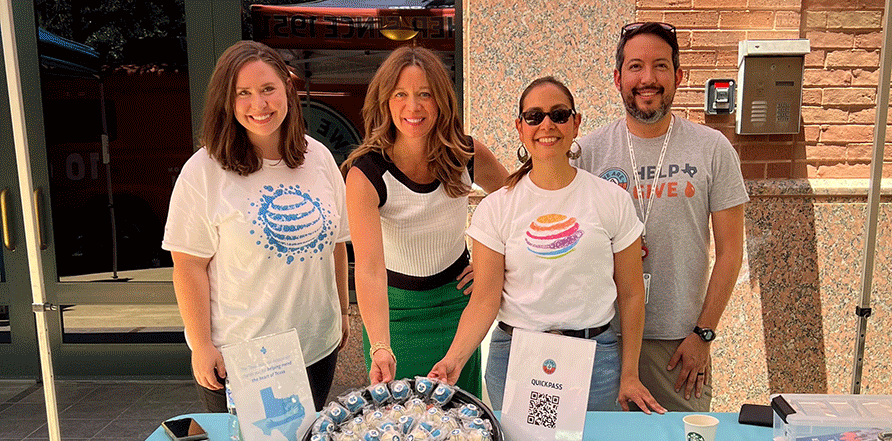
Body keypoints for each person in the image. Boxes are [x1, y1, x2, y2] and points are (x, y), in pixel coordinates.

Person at [429, 77, 663, 415]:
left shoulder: (611, 199)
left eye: (559, 114)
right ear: (520, 128)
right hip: (517, 359)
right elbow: (484, 300)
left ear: (576, 123)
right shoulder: (497, 207)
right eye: (534, 116)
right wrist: (454, 359)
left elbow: (630, 293)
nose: (547, 124)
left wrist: (630, 374)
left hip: (595, 361)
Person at [163, 41, 350, 412]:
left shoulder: (319, 157)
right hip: (243, 357)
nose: (259, 104)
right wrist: (201, 344)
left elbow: (337, 246)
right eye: (243, 93)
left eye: (268, 89)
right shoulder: (204, 171)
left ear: (288, 89)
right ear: (226, 101)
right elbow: (188, 266)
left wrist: (343, 313)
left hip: (316, 348)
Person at [576, 22, 748, 411]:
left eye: (661, 66)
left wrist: (703, 334)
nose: (647, 79)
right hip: (602, 339)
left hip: (678, 347)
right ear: (618, 78)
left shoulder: (712, 148)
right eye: (636, 67)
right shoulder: (588, 152)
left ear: (678, 76)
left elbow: (730, 253)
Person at [343, 46, 507, 398]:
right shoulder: (366, 173)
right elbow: (369, 268)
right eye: (400, 94)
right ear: (385, 102)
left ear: (441, 101)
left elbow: (517, 202)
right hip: (393, 316)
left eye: (424, 95)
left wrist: (488, 264)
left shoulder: (467, 153)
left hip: (456, 307)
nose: (412, 107)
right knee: (396, 430)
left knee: (460, 426)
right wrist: (380, 346)